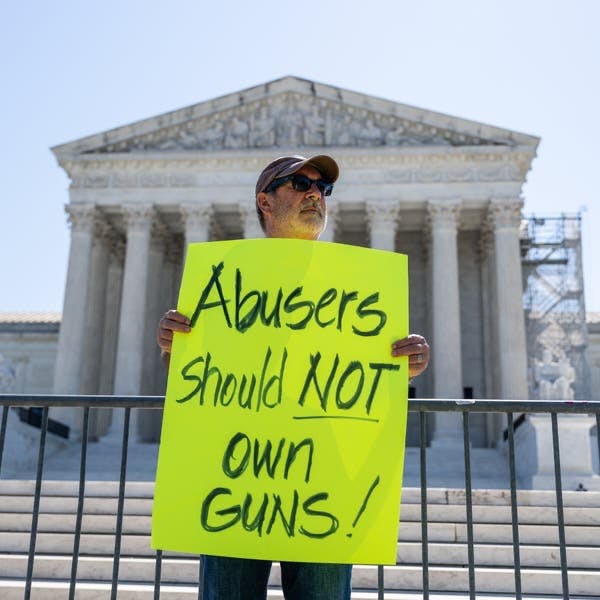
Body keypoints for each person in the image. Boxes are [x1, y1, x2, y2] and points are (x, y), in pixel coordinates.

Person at [157, 154, 430, 600]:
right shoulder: (226, 283)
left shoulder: (356, 291)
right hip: (235, 483)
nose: (315, 195)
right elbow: (201, 385)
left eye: (323, 189)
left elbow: (350, 386)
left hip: (322, 486)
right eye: (300, 183)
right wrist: (175, 346)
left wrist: (403, 366)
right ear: (265, 201)